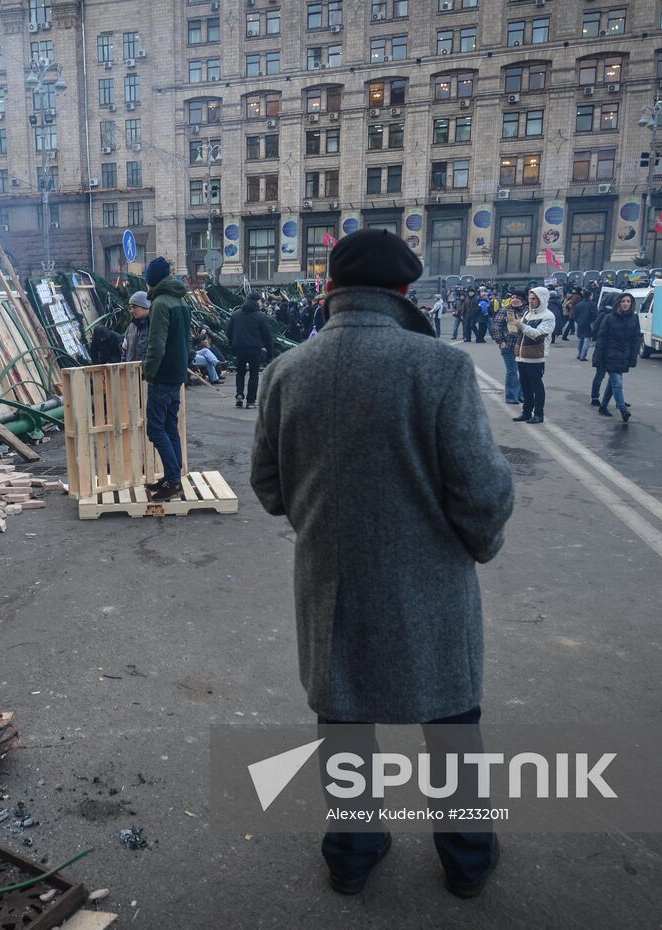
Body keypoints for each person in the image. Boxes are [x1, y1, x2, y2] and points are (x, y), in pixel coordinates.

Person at [251, 228, 513, 901]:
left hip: (330, 584)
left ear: (330, 289)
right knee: (451, 719)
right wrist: (476, 544)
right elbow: (481, 492)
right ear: (404, 291)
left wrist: (324, 519)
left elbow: (270, 488)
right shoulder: (440, 367)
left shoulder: (287, 371)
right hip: (429, 586)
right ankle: (467, 859)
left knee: (344, 721)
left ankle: (353, 853)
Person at [142, 257, 191, 502]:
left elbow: (156, 345)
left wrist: (149, 372)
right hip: (176, 373)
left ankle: (173, 481)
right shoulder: (180, 300)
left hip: (162, 375)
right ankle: (173, 477)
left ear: (151, 279)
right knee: (170, 426)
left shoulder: (160, 303)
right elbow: (186, 340)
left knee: (155, 428)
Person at [595, 293, 641, 424]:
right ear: (618, 303)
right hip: (609, 355)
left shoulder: (634, 318)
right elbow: (601, 339)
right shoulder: (609, 318)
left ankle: (603, 407)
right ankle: (623, 410)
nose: (626, 303)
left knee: (613, 383)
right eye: (623, 301)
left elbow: (636, 339)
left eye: (628, 301)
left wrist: (633, 356)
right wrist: (598, 358)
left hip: (624, 356)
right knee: (617, 382)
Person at [511, 286, 555, 424]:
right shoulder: (527, 314)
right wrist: (513, 327)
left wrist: (521, 326)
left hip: (536, 357)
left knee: (537, 387)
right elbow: (522, 333)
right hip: (522, 356)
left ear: (541, 299)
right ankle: (526, 412)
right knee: (525, 387)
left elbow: (538, 335)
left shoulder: (548, 316)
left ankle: (539, 414)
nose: (531, 301)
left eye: (534, 298)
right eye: (530, 298)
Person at [227, 296, 275, 409]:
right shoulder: (260, 316)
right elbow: (267, 336)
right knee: (253, 374)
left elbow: (229, 332)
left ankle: (239, 394)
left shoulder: (236, 314)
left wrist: (232, 346)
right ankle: (250, 401)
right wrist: (270, 354)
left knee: (240, 372)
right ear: (256, 301)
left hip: (239, 348)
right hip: (255, 349)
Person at [489, 292, 524, 406]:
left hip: (523, 346)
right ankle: (511, 396)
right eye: (513, 298)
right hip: (508, 346)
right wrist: (501, 342)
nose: (514, 300)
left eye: (517, 298)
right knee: (512, 371)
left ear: (522, 300)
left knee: (523, 371)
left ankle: (520, 394)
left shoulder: (526, 312)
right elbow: (495, 327)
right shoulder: (504, 311)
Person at [121, 291, 150, 363]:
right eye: (130, 308)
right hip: (131, 372)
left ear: (145, 306)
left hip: (148, 372)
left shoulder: (154, 326)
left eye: (134, 307)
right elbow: (124, 349)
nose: (131, 311)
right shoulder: (130, 328)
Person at [573, 289, 598, 361]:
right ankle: (583, 356)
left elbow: (575, 315)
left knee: (580, 340)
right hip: (589, 323)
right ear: (590, 296)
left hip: (580, 323)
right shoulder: (592, 304)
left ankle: (579, 354)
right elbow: (595, 315)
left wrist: (577, 321)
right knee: (587, 340)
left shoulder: (579, 304)